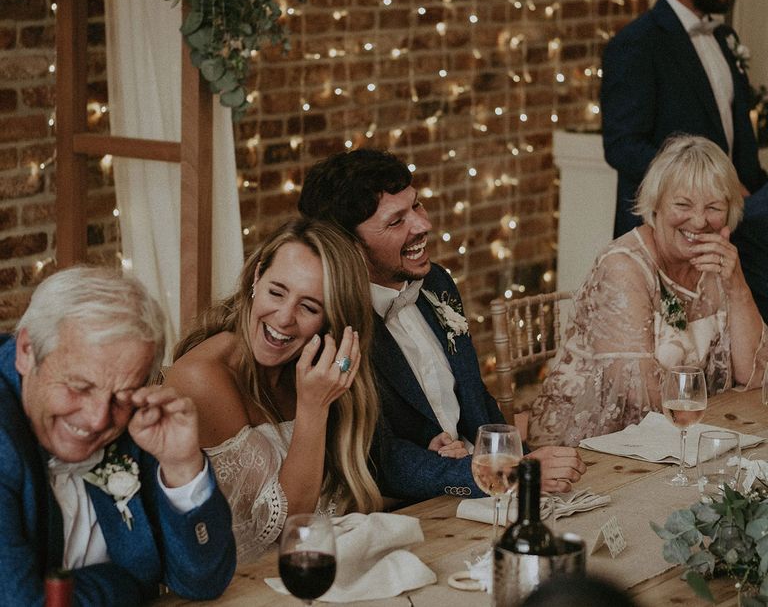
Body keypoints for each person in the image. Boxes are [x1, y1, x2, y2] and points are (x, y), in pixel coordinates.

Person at [298, 148, 586, 502]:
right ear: (349, 246)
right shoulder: (333, 325)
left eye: (416, 206)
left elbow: (473, 395)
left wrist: (519, 463)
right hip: (407, 507)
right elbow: (377, 458)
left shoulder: (436, 282)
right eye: (396, 221)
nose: (423, 225)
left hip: (482, 485)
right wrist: (502, 474)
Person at [0, 266, 236, 605]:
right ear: (26, 351)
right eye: (79, 387)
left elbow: (204, 582)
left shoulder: (133, 420)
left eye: (122, 396)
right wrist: (130, 583)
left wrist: (182, 466)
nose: (98, 419)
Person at [164, 219, 382, 563]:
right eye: (276, 292)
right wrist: (313, 408)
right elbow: (283, 530)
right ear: (256, 280)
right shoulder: (203, 377)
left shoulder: (313, 368)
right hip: (250, 587)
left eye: (309, 307)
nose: (283, 318)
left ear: (331, 322)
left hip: (327, 562)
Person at [529, 135, 768, 447]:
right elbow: (639, 399)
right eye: (682, 204)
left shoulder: (716, 265)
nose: (698, 221)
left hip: (677, 440)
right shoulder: (623, 267)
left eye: (713, 207)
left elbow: (757, 376)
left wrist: (737, 286)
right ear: (655, 205)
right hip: (588, 451)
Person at [600, 0, 768, 321]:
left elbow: (737, 132)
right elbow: (623, 146)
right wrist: (704, 190)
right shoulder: (636, 45)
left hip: (741, 225)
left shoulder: (724, 38)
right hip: (676, 236)